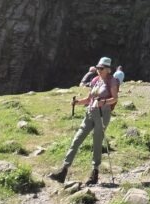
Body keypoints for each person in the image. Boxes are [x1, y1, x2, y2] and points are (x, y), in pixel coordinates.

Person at [49, 56, 119, 186]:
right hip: (90, 113)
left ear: (108, 69)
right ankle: (63, 170)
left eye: (101, 68)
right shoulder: (95, 80)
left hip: (103, 114)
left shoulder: (112, 81)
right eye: (98, 67)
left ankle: (95, 172)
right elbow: (89, 99)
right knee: (76, 140)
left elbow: (115, 99)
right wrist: (78, 102)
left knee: (97, 142)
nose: (98, 69)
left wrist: (103, 102)